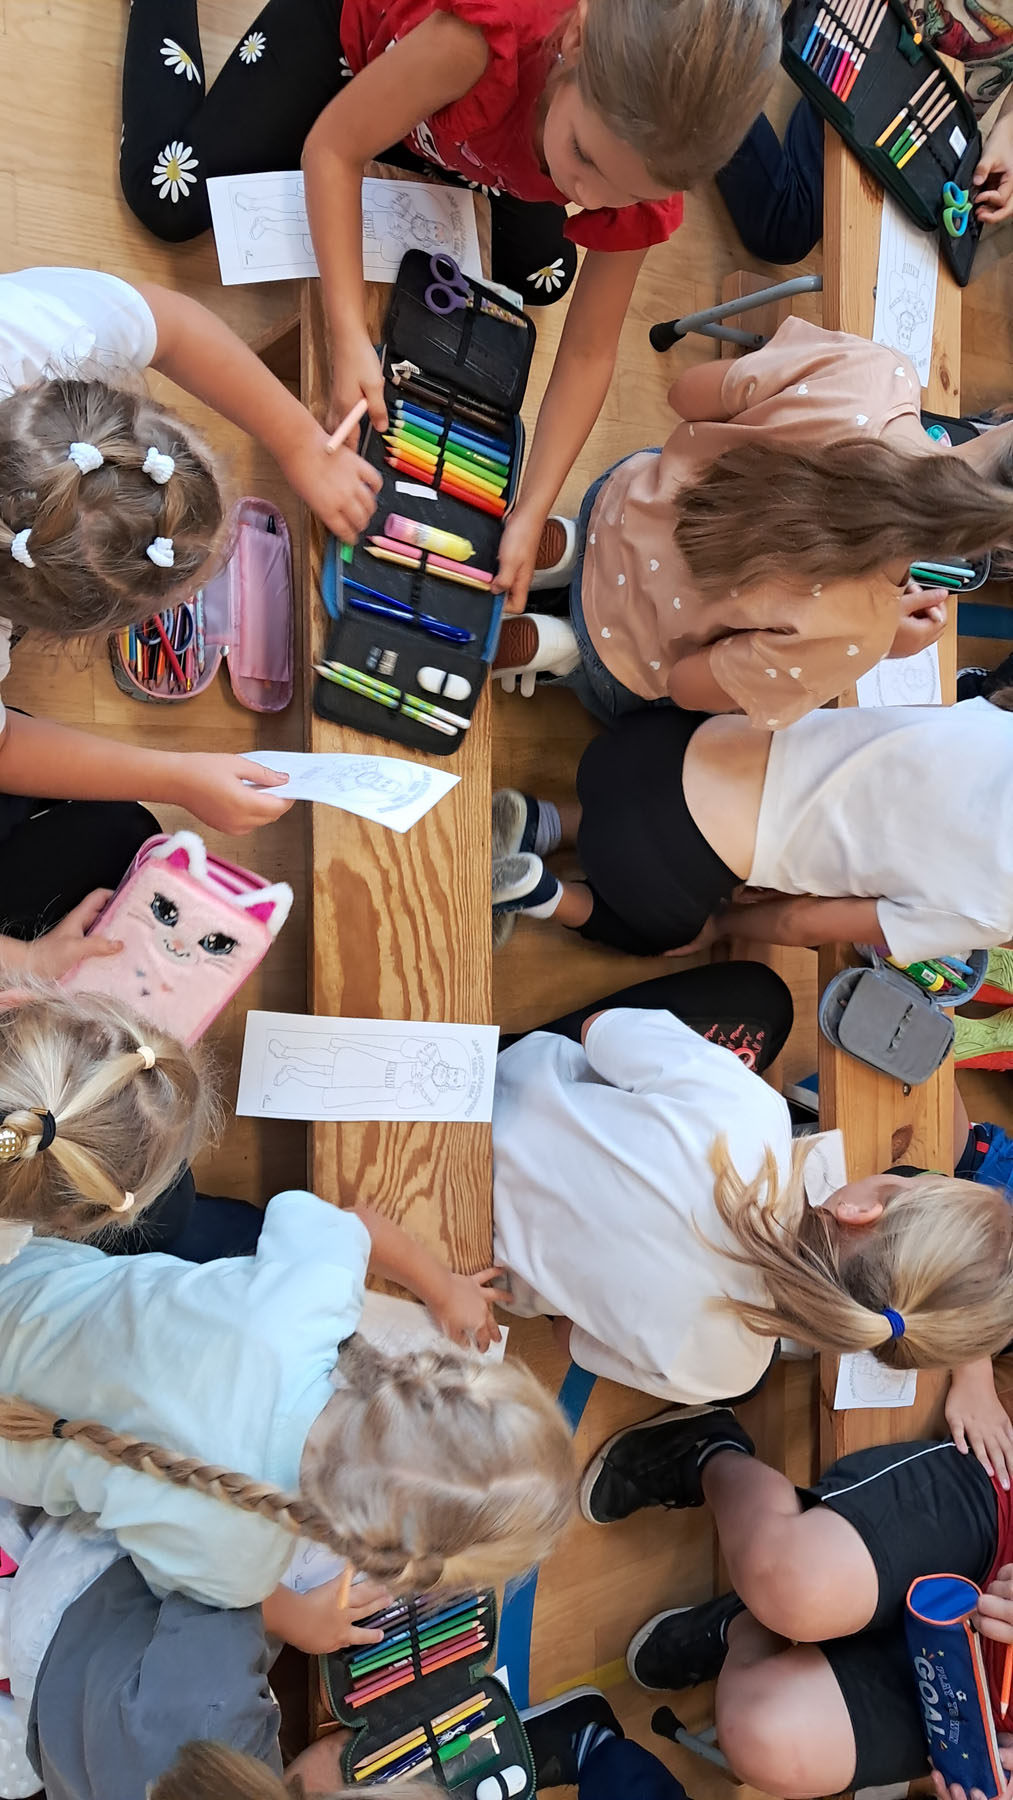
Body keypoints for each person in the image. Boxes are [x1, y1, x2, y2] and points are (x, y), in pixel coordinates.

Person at [117, 0, 781, 610]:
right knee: (167, 194)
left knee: (546, 277)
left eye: (627, 193)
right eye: (585, 157)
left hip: (467, 118)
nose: (588, 195)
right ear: (576, 40)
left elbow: (587, 351)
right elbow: (334, 149)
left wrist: (532, 509)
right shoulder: (481, 37)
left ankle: (438, 128)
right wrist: (348, 335)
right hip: (358, 37)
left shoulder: (633, 154)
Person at [0, 1182, 575, 1622]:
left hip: (20, 1277)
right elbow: (193, 1576)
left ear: (437, 1379)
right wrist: (296, 1620)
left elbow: (354, 1223)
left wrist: (443, 1287)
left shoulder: (307, 1304)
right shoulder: (238, 1569)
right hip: (13, 1454)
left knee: (223, 1222)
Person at [490, 956, 1013, 1408]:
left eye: (913, 1180)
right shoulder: (732, 1374)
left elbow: (600, 1029)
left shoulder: (752, 1115)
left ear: (860, 1212)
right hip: (475, 1261)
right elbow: (569, 1335)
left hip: (484, 1100)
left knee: (761, 999)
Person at [0, 265, 382, 842]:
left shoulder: (37, 334)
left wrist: (300, 442)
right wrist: (177, 778)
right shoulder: (37, 340)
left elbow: (173, 327)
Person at [492, 318, 1013, 723]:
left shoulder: (877, 373)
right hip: (622, 653)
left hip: (624, 505)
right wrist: (878, 640)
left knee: (673, 475)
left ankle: (570, 546)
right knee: (684, 708)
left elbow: (686, 394)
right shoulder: (862, 630)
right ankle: (562, 646)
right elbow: (688, 686)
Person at [579, 1406, 1013, 1797]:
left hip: (985, 1714)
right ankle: (704, 1451)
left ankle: (745, 1622)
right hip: (998, 1536)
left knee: (764, 1737)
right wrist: (974, 1367)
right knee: (794, 1576)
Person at [489, 687, 1013, 963]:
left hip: (650, 742)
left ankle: (544, 821)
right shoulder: (995, 912)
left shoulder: (1002, 726)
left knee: (657, 811)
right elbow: (798, 924)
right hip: (660, 859)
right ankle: (545, 893)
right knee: (669, 933)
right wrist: (719, 927)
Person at [715, 0, 1013, 269]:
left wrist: (1007, 130)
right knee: (785, 227)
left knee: (906, 256)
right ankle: (707, 65)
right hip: (863, 54)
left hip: (935, 130)